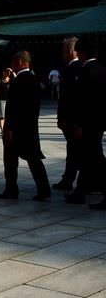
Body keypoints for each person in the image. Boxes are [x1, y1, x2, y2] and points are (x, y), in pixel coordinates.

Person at [0, 51, 51, 201]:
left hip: (16, 128)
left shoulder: (19, 80)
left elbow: (14, 107)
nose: (12, 65)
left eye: (14, 62)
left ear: (20, 62)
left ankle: (11, 189)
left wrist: (9, 128)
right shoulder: (33, 79)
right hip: (30, 126)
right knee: (34, 159)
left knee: (11, 161)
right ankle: (44, 189)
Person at [65, 38, 106, 209]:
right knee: (89, 157)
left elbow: (84, 102)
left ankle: (85, 190)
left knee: (94, 158)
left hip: (87, 123)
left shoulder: (86, 71)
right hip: (98, 122)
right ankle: (81, 190)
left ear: (81, 53)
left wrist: (79, 125)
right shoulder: (102, 70)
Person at [54, 37, 82, 192]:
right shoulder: (80, 68)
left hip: (72, 120)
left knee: (74, 151)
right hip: (76, 120)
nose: (63, 54)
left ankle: (69, 180)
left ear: (70, 52)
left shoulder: (72, 70)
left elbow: (67, 98)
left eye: (64, 51)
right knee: (75, 151)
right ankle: (69, 179)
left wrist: (63, 118)